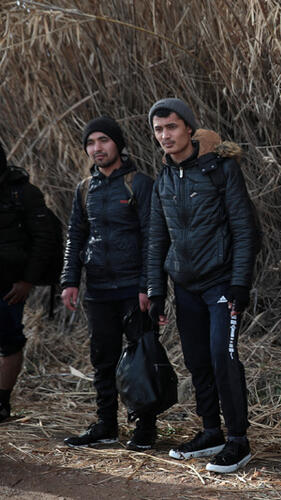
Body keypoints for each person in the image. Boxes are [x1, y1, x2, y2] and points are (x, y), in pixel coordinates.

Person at [147, 98, 261, 473]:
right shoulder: (162, 177)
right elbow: (156, 238)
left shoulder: (220, 170)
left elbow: (245, 230)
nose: (166, 135)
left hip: (222, 284)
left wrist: (240, 284)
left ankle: (238, 441)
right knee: (197, 361)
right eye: (159, 129)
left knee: (221, 357)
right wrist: (156, 290)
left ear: (189, 129)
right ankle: (210, 430)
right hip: (185, 288)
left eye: (172, 127)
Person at [60, 117, 156, 449]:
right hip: (98, 289)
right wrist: (70, 280)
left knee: (140, 359)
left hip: (133, 289)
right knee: (103, 358)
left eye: (103, 140)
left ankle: (145, 427)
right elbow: (76, 235)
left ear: (118, 144)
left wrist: (148, 285)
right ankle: (106, 425)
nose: (97, 148)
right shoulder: (85, 188)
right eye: (91, 143)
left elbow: (151, 238)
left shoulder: (139, 184)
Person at [0, 144, 57, 422]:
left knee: (9, 343)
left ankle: (2, 402)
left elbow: (44, 239)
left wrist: (27, 281)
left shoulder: (23, 194)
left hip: (10, 286)